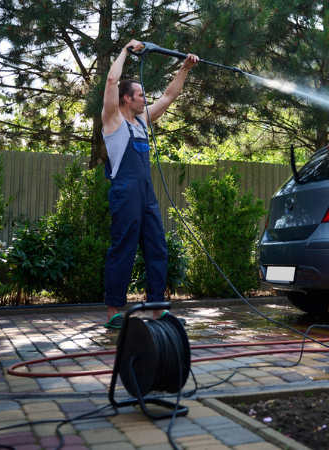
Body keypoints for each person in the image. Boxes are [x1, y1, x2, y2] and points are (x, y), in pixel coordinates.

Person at [101, 39, 198, 329]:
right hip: (124, 192)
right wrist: (125, 51)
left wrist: (184, 68)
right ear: (126, 99)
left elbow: (169, 96)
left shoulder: (144, 121)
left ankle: (157, 309)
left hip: (146, 193)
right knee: (123, 249)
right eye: (140, 95)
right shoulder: (112, 120)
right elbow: (111, 79)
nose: (145, 99)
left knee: (158, 248)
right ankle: (114, 312)